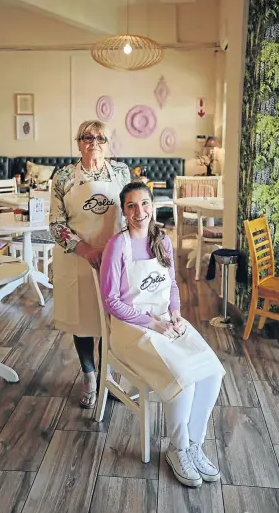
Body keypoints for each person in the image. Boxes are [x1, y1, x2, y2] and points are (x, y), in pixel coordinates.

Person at [100, 182, 226, 488]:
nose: (139, 211)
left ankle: (194, 445)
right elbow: (111, 301)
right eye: (131, 205)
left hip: (165, 319)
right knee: (183, 375)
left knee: (212, 371)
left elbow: (170, 285)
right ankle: (177, 449)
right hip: (131, 329)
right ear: (125, 211)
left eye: (144, 203)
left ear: (153, 206)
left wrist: (176, 313)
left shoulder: (162, 240)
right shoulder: (118, 245)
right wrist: (152, 323)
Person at [50, 120, 130, 409]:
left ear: (108, 143)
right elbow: (56, 224)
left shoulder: (121, 172)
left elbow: (130, 211)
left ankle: (107, 373)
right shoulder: (63, 177)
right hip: (78, 260)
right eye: (87, 137)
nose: (93, 142)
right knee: (83, 321)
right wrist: (85, 249)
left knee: (113, 320)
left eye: (100, 137)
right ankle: (89, 376)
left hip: (114, 258)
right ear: (78, 142)